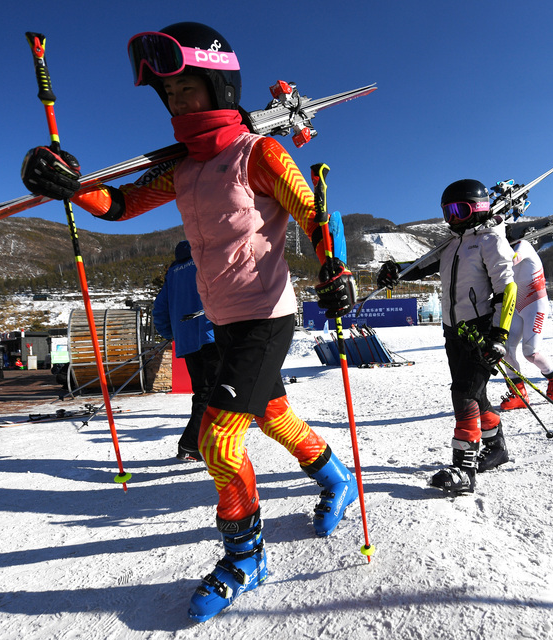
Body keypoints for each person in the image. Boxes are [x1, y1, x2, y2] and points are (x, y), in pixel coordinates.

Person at [18, 22, 359, 622]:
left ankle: (246, 556)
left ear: (219, 87)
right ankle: (335, 478)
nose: (176, 103)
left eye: (185, 90)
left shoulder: (259, 153)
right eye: (167, 96)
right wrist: (73, 187)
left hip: (265, 314)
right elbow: (120, 205)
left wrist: (336, 268)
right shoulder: (181, 167)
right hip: (222, 317)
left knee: (217, 439)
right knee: (273, 413)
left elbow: (313, 212)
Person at [377, 178, 516, 494]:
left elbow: (507, 289)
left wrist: (499, 335)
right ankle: (497, 448)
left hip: (481, 330)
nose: (453, 218)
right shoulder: (452, 244)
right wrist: (393, 270)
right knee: (476, 394)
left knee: (464, 395)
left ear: (479, 209)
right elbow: (419, 266)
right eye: (447, 212)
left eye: (460, 210)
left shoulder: (491, 241)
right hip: (454, 333)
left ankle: (464, 470)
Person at [152, 240, 218, 462]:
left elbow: (159, 310)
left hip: (187, 343)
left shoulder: (172, 275)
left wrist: (173, 334)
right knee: (215, 393)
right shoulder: (205, 264)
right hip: (211, 336)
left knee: (203, 393)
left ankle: (199, 444)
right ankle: (191, 444)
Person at [498, 238, 553, 411]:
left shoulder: (523, 245)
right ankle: (519, 395)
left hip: (535, 304)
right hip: (517, 306)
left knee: (530, 353)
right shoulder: (499, 251)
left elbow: (514, 259)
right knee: (504, 350)